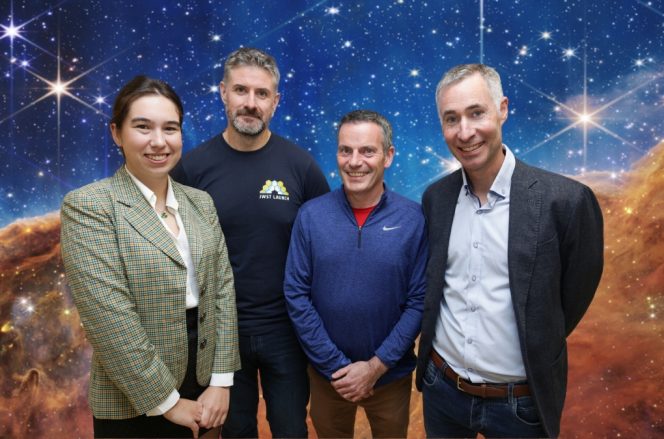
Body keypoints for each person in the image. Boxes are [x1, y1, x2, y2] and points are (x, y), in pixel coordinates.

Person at [416, 63, 604, 438]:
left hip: (520, 403)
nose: (464, 132)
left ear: (502, 108)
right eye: (451, 119)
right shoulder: (436, 199)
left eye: (476, 113)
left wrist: (537, 333)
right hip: (442, 389)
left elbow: (573, 295)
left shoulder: (565, 201)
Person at [60, 76, 240, 438]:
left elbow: (221, 289)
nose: (159, 141)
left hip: (204, 382)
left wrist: (221, 381)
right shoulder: (91, 205)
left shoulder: (199, 203)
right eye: (143, 127)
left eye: (170, 128)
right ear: (116, 133)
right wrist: (168, 403)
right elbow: (108, 315)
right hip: (131, 393)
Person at [171, 47, 329, 438]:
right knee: (235, 431)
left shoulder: (301, 167)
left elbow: (323, 248)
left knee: (292, 430)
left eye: (262, 94)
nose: (250, 103)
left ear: (275, 102)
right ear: (223, 92)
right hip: (221, 334)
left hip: (286, 332)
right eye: (241, 90)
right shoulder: (192, 169)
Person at [284, 110, 427, 438]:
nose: (354, 161)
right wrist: (336, 365)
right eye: (345, 150)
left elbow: (419, 300)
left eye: (367, 151)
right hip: (327, 378)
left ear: (388, 156)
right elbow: (296, 294)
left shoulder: (413, 219)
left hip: (390, 377)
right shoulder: (311, 216)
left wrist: (376, 366)